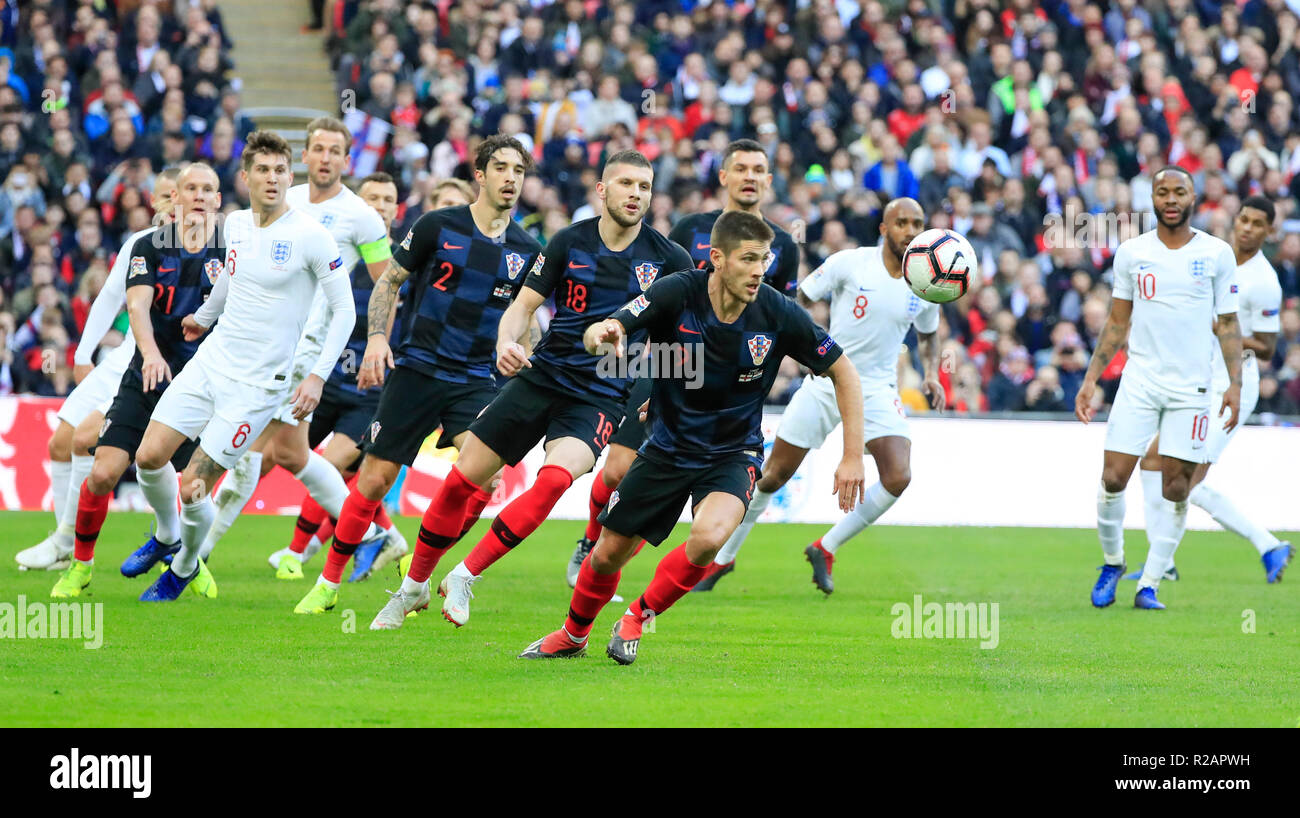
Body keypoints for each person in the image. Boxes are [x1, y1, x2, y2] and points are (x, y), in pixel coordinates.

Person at [518, 210, 865, 664]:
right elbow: (611, 328)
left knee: (709, 536)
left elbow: (844, 371)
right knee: (604, 557)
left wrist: (852, 454)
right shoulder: (677, 291)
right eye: (748, 259)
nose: (760, 270)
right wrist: (605, 334)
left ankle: (637, 617)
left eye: (764, 259)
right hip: (665, 448)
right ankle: (572, 635)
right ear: (717, 259)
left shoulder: (778, 312)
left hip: (731, 452)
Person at [366, 149, 691, 630]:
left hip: (601, 395)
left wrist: (661, 391)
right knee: (463, 480)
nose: (636, 195)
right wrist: (504, 340)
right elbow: (522, 307)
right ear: (603, 190)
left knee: (557, 479)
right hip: (542, 376)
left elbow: (682, 343)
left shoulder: (670, 260)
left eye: (644, 187)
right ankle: (413, 586)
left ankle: (465, 574)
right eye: (626, 184)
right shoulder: (567, 242)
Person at [293, 135, 542, 615]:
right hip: (418, 369)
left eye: (519, 170)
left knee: (484, 481)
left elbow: (524, 316)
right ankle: (328, 583)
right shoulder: (438, 225)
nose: (511, 178)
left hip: (474, 380)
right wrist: (378, 339)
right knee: (373, 480)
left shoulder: (529, 249)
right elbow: (390, 282)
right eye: (503, 168)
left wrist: (521, 357)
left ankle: (421, 575)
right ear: (481, 174)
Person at [128, 131, 355, 601]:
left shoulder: (311, 236)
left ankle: (185, 566)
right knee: (148, 458)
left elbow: (345, 310)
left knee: (193, 486)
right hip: (212, 362)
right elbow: (230, 276)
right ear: (246, 177)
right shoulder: (234, 224)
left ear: (289, 176)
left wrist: (317, 375)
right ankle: (168, 536)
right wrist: (203, 318)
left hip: (258, 387)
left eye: (280, 171)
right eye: (263, 170)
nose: (272, 179)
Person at [565, 138, 800, 587]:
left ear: (769, 181)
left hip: (723, 386)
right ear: (724, 177)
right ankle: (590, 541)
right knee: (615, 470)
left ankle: (618, 560)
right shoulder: (692, 228)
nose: (750, 177)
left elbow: (777, 323)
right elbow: (660, 293)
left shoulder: (784, 245)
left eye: (758, 170)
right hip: (669, 365)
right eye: (741, 168)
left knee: (675, 488)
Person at [694, 198, 944, 594]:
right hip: (827, 378)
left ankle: (825, 547)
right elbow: (799, 302)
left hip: (877, 389)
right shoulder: (850, 263)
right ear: (884, 229)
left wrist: (931, 372)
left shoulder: (927, 280)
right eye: (901, 222)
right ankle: (723, 558)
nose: (910, 230)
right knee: (772, 477)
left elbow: (929, 333)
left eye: (917, 223)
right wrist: (806, 347)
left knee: (898, 475)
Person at [198, 118, 404, 578]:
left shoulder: (361, 217)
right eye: (318, 149)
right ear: (304, 157)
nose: (326, 157)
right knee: (273, 452)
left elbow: (387, 284)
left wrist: (378, 341)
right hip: (258, 342)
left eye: (335, 150)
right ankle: (377, 535)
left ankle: (191, 550)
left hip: (304, 352)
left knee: (265, 451)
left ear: (347, 161)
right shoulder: (278, 199)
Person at [49, 163, 225, 599]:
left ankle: (182, 556)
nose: (199, 196)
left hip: (200, 388)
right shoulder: (149, 246)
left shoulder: (235, 252)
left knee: (192, 487)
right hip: (145, 377)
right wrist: (148, 355)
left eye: (208, 189)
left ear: (219, 200)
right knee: (104, 470)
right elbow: (138, 306)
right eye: (191, 189)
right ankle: (80, 566)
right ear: (175, 198)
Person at [1076, 167, 1243, 611]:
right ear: (1152, 198)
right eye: (1162, 192)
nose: (1171, 199)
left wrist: (1235, 385)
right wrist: (1092, 377)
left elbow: (1228, 322)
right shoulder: (1132, 253)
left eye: (1179, 191)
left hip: (1193, 389)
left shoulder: (1216, 253)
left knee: (1175, 487)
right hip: (1140, 382)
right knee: (1113, 477)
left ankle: (1149, 582)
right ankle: (1113, 562)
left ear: (1193, 197)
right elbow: (1117, 321)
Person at [15, 168, 178, 572]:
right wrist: (83, 354)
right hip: (123, 356)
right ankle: (65, 543)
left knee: (98, 442)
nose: (171, 204)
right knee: (60, 443)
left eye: (181, 195)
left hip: (163, 365)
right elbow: (108, 298)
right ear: (155, 203)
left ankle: (165, 543)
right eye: (164, 197)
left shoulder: (208, 252)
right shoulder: (139, 244)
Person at [1129, 196, 1292, 583]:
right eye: (1244, 220)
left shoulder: (1264, 281)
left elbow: (1268, 347)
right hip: (1196, 379)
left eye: (1257, 224)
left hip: (1232, 386)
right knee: (1152, 463)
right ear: (1235, 221)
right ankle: (1163, 563)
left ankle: (1267, 544)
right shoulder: (1213, 257)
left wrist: (1224, 331)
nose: (1248, 228)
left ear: (1269, 232)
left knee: (1186, 480)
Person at [269, 172, 405, 580]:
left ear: (397, 211)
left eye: (387, 199)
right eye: (371, 199)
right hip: (323, 379)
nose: (379, 206)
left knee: (338, 462)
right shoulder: (332, 259)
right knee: (286, 454)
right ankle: (383, 532)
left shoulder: (402, 267)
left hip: (373, 389)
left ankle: (299, 551)